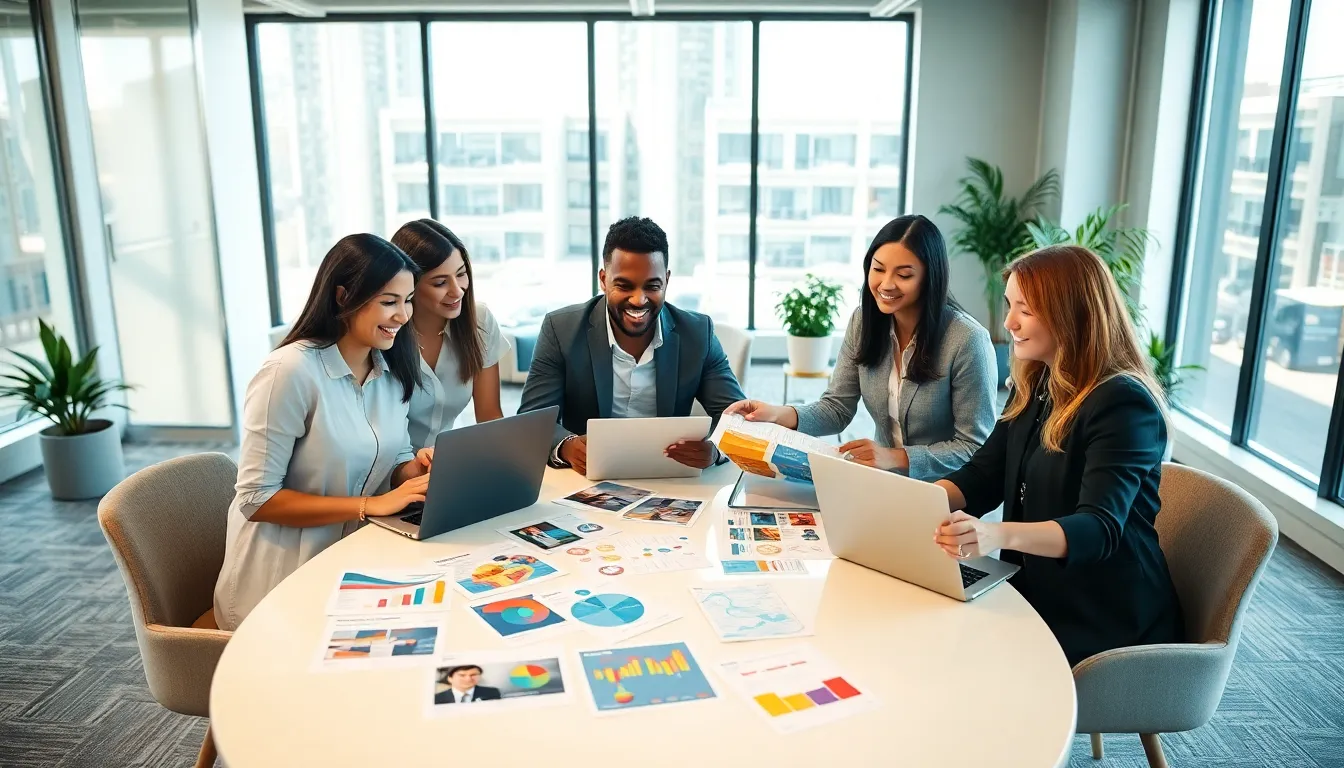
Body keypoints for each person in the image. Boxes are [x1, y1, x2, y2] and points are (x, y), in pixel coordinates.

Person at [932, 244, 1183, 666]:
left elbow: (1098, 528)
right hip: (1036, 585)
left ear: (1072, 313)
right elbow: (984, 475)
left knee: (953, 653)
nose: (1008, 322)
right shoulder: (1041, 381)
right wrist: (916, 501)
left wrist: (996, 534)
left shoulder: (1123, 402)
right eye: (1010, 305)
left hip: (1102, 610)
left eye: (1024, 310)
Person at [213, 234, 433, 631]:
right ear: (343, 297)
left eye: (408, 300)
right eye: (389, 301)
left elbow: (396, 458)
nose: (404, 315)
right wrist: (369, 505)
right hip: (281, 583)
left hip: (354, 561)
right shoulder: (290, 372)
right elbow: (255, 499)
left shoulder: (390, 369)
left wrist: (415, 470)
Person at [725, 215, 997, 481]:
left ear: (929, 278)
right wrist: (779, 414)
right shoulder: (864, 321)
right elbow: (837, 408)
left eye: (903, 274)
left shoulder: (967, 339)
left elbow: (974, 447)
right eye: (878, 269)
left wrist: (895, 457)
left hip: (946, 492)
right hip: (883, 482)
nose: (886, 284)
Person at [518, 216, 746, 475]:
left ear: (667, 281)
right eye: (624, 286)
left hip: (672, 479)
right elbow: (532, 420)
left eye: (652, 286)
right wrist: (567, 446)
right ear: (603, 279)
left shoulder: (697, 333)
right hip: (585, 482)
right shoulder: (561, 330)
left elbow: (736, 418)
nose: (639, 300)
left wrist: (715, 449)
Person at [391, 219, 509, 449]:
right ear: (408, 285)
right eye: (440, 282)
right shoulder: (386, 331)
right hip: (390, 474)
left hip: (443, 466)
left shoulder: (479, 320)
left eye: (461, 274)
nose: (457, 291)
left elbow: (489, 416)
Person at [434, 665, 501, 704]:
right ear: (450, 678)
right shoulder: (437, 698)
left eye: (473, 675)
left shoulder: (492, 693)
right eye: (462, 675)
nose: (468, 679)